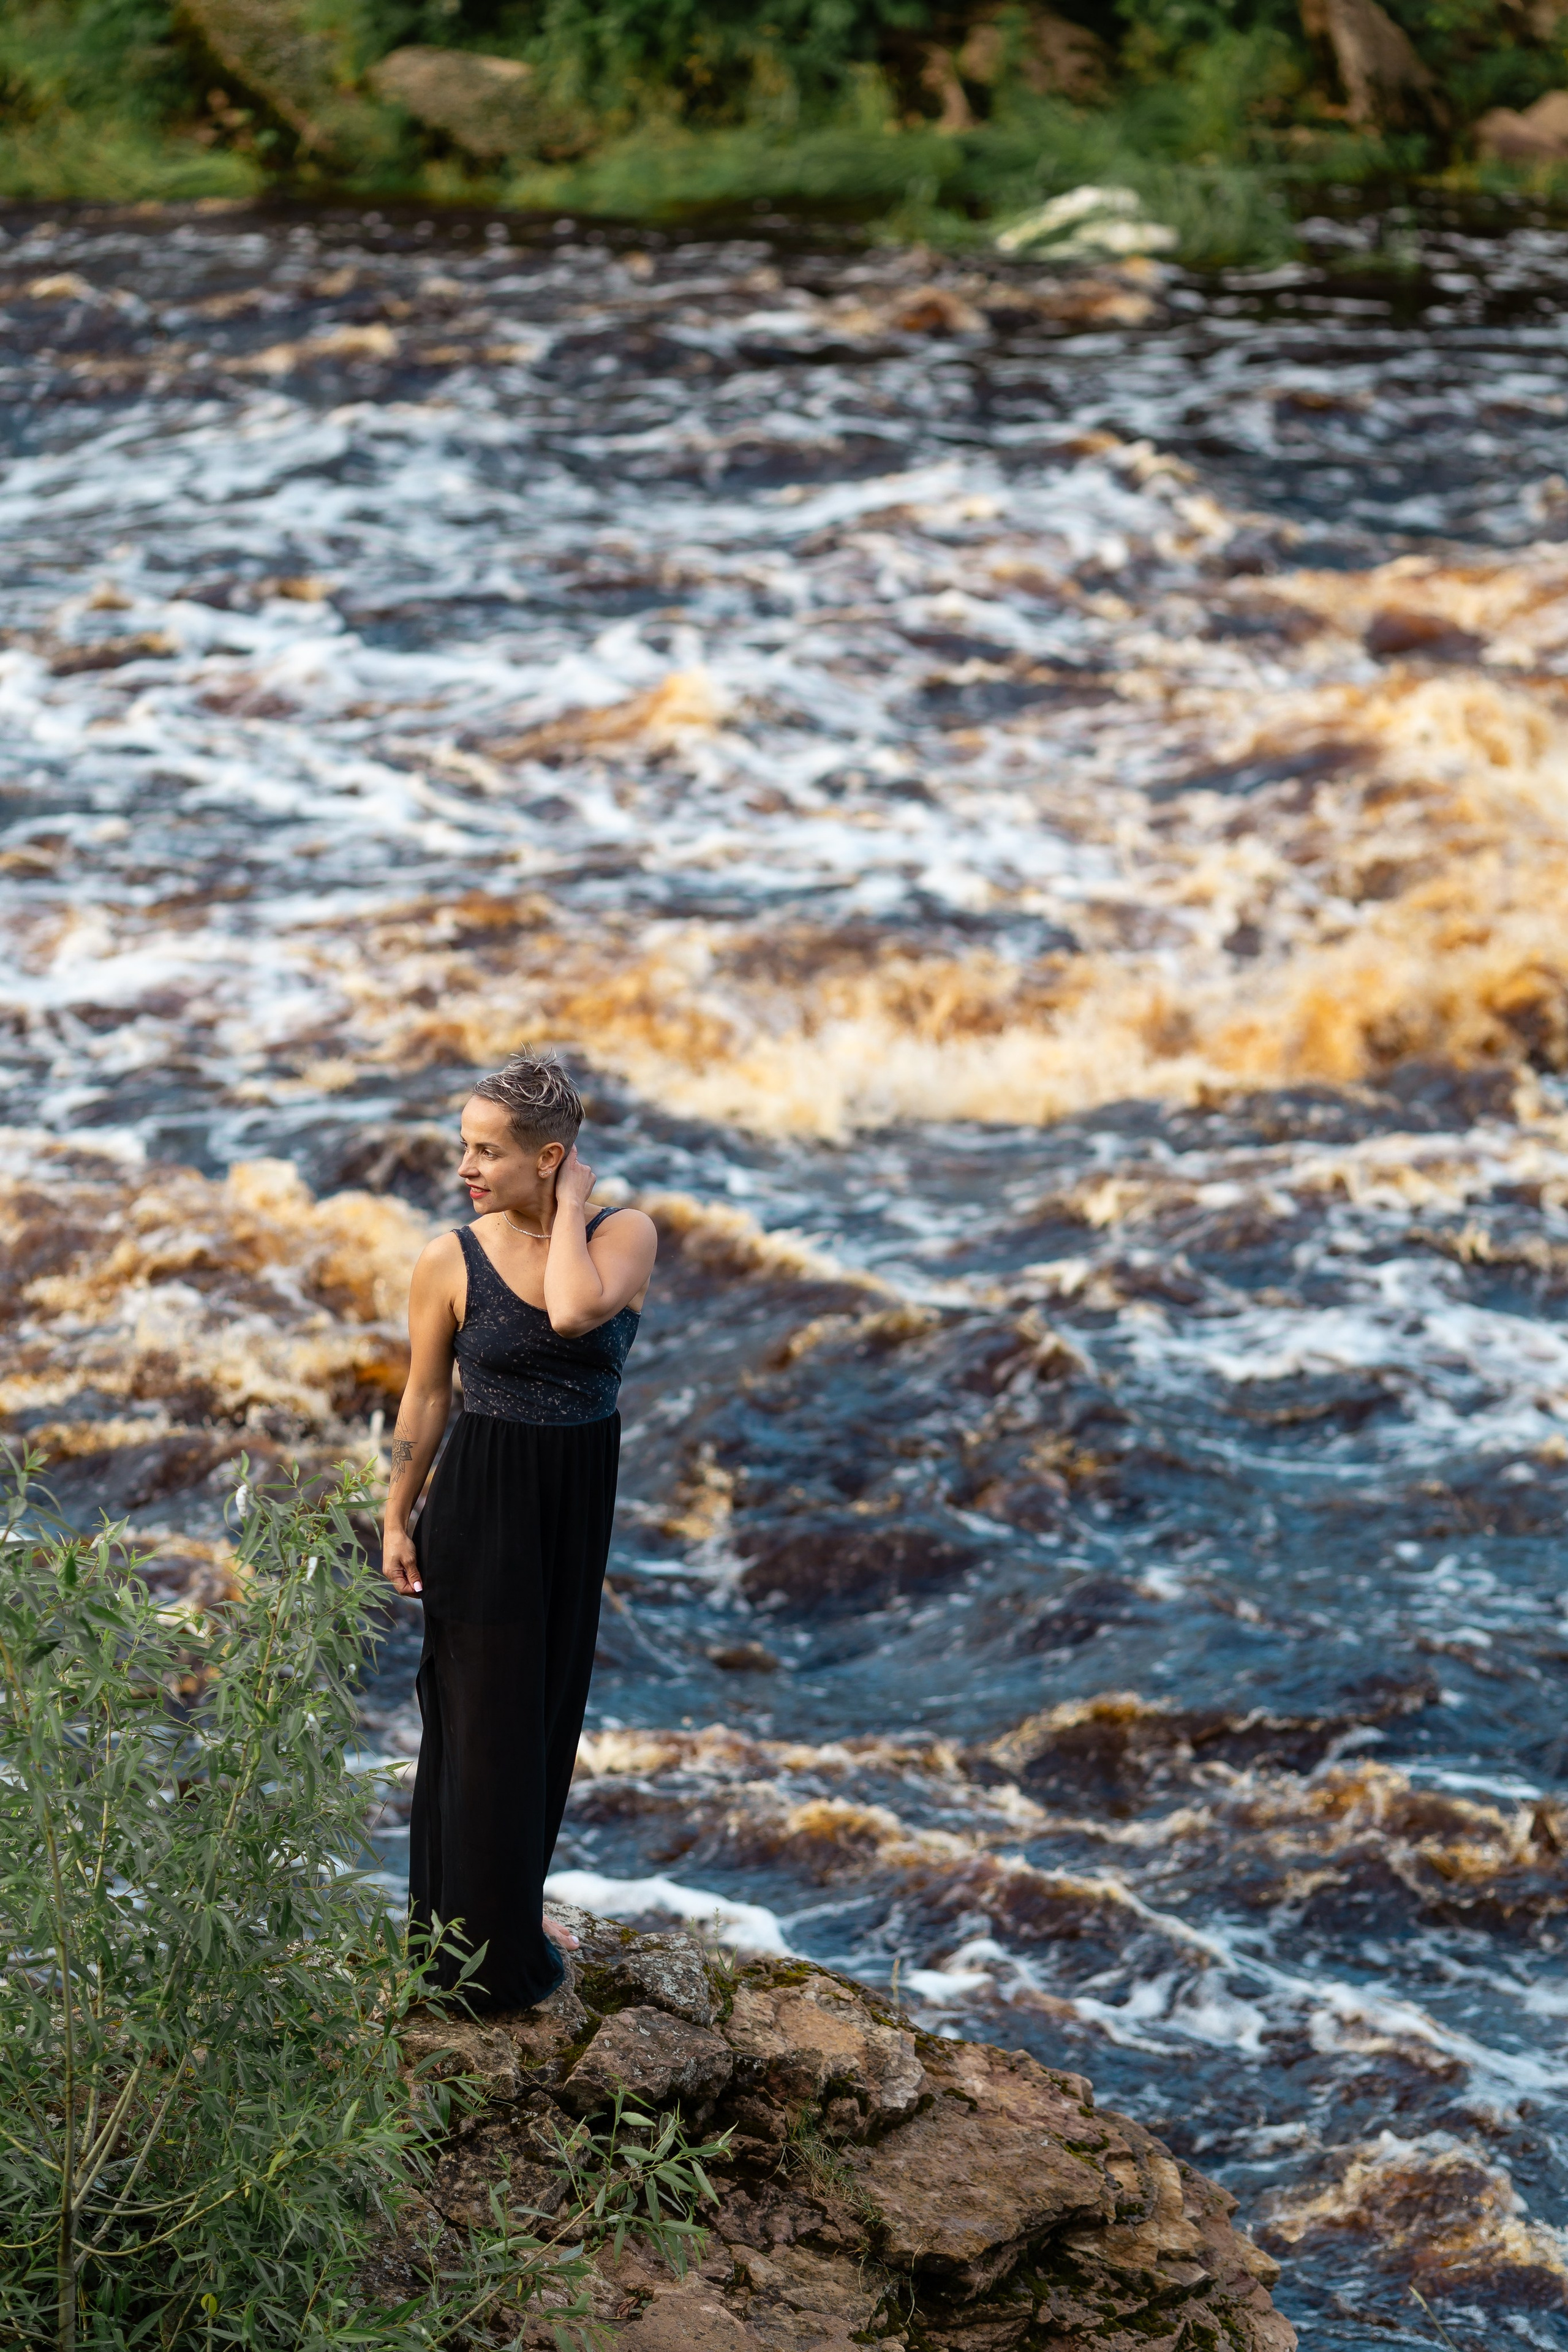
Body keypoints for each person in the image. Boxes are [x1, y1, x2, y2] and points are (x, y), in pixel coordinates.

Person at [380, 1054, 657, 2010]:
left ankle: (508, 1906)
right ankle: (475, 1963)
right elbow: (423, 1395)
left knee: (546, 1714)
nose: (467, 1166)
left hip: (577, 1498)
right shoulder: (448, 1257)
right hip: (485, 1500)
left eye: (488, 1150)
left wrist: (570, 1207)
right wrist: (395, 1515)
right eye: (465, 1146)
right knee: (481, 1724)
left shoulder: (625, 1234)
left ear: (551, 1157)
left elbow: (576, 1309)